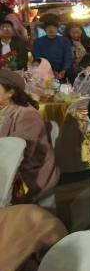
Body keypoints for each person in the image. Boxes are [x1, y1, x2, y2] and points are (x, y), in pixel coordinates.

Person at [0, 70, 58, 204]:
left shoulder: (27, 115)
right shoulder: (3, 110)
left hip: (29, 175)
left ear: (10, 92)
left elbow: (21, 155)